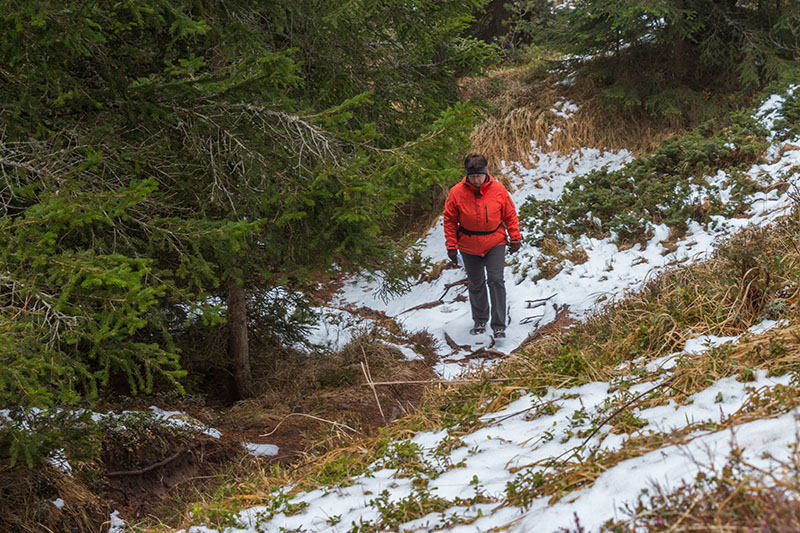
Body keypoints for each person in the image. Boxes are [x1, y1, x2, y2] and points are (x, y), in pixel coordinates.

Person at [443, 153, 521, 338]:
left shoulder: (499, 190)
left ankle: (499, 324)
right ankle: (479, 320)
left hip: (495, 241)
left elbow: (509, 214)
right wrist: (451, 246)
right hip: (469, 245)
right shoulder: (456, 193)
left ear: (486, 173)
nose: (476, 180)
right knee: (476, 283)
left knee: (495, 280)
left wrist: (515, 238)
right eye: (472, 177)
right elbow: (450, 220)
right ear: (467, 175)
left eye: (479, 176)